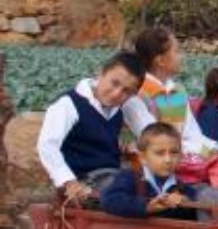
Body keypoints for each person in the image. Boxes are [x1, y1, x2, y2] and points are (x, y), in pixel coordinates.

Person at [37, 51, 155, 203]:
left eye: (126, 91)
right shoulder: (69, 104)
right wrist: (69, 182)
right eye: (114, 83)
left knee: (151, 187)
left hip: (113, 176)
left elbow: (153, 133)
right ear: (100, 73)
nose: (116, 93)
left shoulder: (125, 105)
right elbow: (47, 145)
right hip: (84, 181)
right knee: (125, 190)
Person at [132, 27, 218, 170]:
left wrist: (211, 148)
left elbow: (191, 133)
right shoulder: (139, 94)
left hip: (184, 161)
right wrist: (202, 152)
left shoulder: (175, 91)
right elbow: (155, 142)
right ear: (160, 60)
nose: (182, 56)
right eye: (177, 51)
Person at [100, 123, 197, 221]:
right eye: (160, 153)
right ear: (143, 158)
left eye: (174, 153)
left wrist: (185, 202)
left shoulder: (181, 187)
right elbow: (110, 199)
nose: (168, 159)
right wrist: (147, 206)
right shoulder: (130, 177)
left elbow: (194, 207)